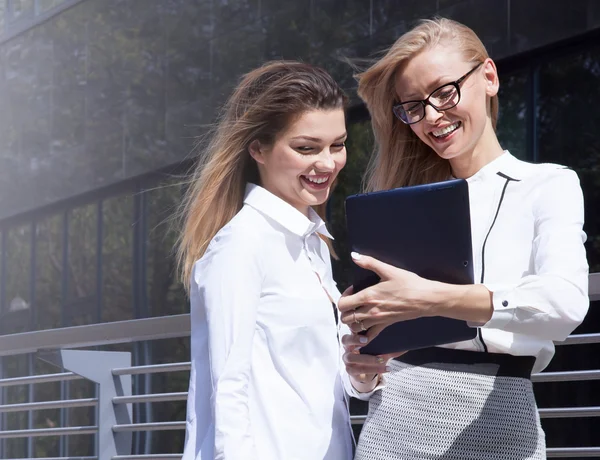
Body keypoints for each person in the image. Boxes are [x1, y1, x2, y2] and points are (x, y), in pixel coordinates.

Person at [338, 17, 589, 460]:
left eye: (444, 91)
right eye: (413, 106)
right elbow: (368, 368)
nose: (432, 116)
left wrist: (432, 299)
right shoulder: (397, 206)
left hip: (503, 425)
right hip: (393, 427)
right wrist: (362, 369)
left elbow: (564, 304)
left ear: (488, 77)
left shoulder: (547, 184)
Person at [178, 61, 354, 460]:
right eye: (306, 148)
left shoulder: (313, 244)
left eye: (338, 145)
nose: (327, 164)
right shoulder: (241, 245)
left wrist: (360, 373)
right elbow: (228, 386)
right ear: (257, 148)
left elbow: (313, 375)